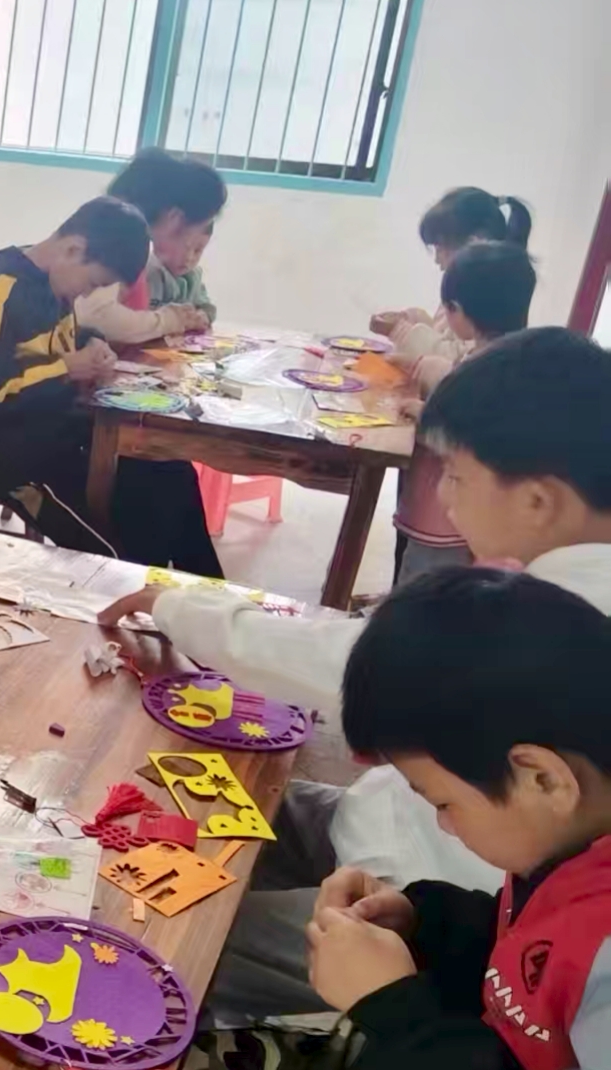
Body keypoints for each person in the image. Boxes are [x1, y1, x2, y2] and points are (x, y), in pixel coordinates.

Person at [99, 328, 611, 1024]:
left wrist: (178, 607)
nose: (447, 500)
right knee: (187, 808)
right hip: (420, 861)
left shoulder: (564, 620)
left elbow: (355, 663)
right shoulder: (556, 584)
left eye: (457, 478)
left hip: (428, 881)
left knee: (166, 944)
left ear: (538, 500)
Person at [309, 568, 611, 1068]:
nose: (444, 825)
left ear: (543, 779)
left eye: (443, 803)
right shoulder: (569, 846)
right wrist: (422, 920)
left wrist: (396, 1008)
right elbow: (527, 950)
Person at [0, 196, 223, 573]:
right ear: (73, 249)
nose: (85, 295)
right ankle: (147, 592)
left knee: (171, 473)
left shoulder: (56, 277)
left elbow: (61, 336)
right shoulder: (5, 287)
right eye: (94, 283)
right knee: (114, 560)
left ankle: (211, 594)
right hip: (12, 459)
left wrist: (92, 341)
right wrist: (65, 368)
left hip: (64, 436)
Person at [394, 241, 536, 584]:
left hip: (444, 513)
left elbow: (463, 438)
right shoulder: (513, 359)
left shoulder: (479, 369)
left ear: (457, 309)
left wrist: (423, 415)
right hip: (471, 512)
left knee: (424, 581)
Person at [372, 187, 533, 364]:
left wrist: (401, 331)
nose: (437, 260)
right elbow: (446, 338)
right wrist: (415, 320)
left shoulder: (486, 297)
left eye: (440, 248)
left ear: (473, 245)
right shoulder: (465, 287)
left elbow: (457, 359)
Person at [75, 149, 220, 343]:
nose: (190, 249)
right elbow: (98, 318)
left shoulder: (132, 239)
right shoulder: (115, 237)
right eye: (197, 228)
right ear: (175, 218)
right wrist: (169, 320)